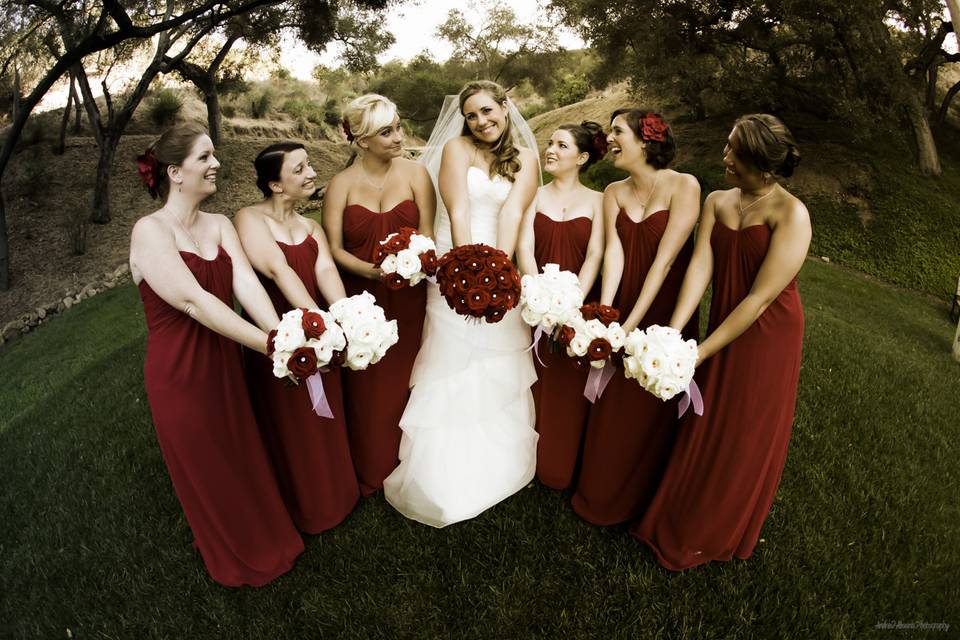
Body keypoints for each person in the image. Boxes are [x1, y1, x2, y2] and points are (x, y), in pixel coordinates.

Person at [632, 114, 809, 570]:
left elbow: (760, 298)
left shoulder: (791, 214)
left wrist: (699, 352)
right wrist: (674, 332)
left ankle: (716, 529)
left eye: (735, 152)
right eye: (728, 146)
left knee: (743, 428)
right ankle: (678, 515)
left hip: (768, 335)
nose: (725, 157)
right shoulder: (716, 199)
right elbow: (701, 266)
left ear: (762, 164)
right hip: (722, 322)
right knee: (705, 422)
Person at [129, 123, 303, 586]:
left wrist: (284, 335)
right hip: (180, 375)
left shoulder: (220, 224)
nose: (216, 164)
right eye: (205, 157)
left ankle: (270, 537)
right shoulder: (150, 231)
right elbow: (193, 302)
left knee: (243, 451)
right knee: (210, 464)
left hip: (225, 362)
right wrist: (272, 347)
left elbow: (246, 286)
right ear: (175, 173)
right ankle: (236, 553)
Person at [383, 80, 541, 527]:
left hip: (500, 270)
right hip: (456, 266)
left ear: (506, 108)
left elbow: (511, 213)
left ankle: (500, 468)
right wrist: (470, 270)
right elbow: (458, 209)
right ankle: (439, 477)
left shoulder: (526, 160)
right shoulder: (456, 149)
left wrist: (499, 274)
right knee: (450, 361)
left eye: (488, 111)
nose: (481, 122)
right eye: (472, 115)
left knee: (497, 363)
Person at [571, 109, 701, 525]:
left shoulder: (685, 185)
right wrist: (606, 315)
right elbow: (614, 252)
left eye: (617, 132)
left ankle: (645, 498)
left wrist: (630, 329)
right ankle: (600, 490)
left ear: (646, 140)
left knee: (651, 396)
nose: (608, 139)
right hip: (626, 298)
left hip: (667, 310)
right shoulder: (613, 191)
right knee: (614, 403)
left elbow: (664, 263)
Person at [233, 142, 360, 533]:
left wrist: (349, 319)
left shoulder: (312, 226)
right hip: (280, 333)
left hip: (320, 335)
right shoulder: (248, 218)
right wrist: (317, 325)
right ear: (274, 184)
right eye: (300, 169)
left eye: (309, 165)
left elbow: (325, 273)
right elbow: (277, 269)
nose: (311, 173)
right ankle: (304, 507)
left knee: (327, 416)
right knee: (291, 421)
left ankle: (340, 495)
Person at [322, 94, 434, 496]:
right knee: (369, 386)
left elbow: (428, 234)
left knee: (411, 377)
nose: (398, 136)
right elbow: (333, 250)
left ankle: (415, 462)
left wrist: (412, 265)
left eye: (398, 127)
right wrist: (373, 271)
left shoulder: (417, 174)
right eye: (387, 132)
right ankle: (373, 462)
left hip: (410, 297)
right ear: (362, 140)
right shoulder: (340, 186)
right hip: (361, 301)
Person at [516, 122, 605, 490]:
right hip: (533, 302)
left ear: (582, 158)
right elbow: (523, 246)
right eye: (549, 143)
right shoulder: (533, 195)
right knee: (531, 378)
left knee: (570, 383)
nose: (550, 149)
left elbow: (596, 253)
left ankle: (561, 460)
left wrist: (570, 303)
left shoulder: (599, 201)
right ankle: (524, 459)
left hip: (577, 306)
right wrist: (538, 297)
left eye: (561, 145)